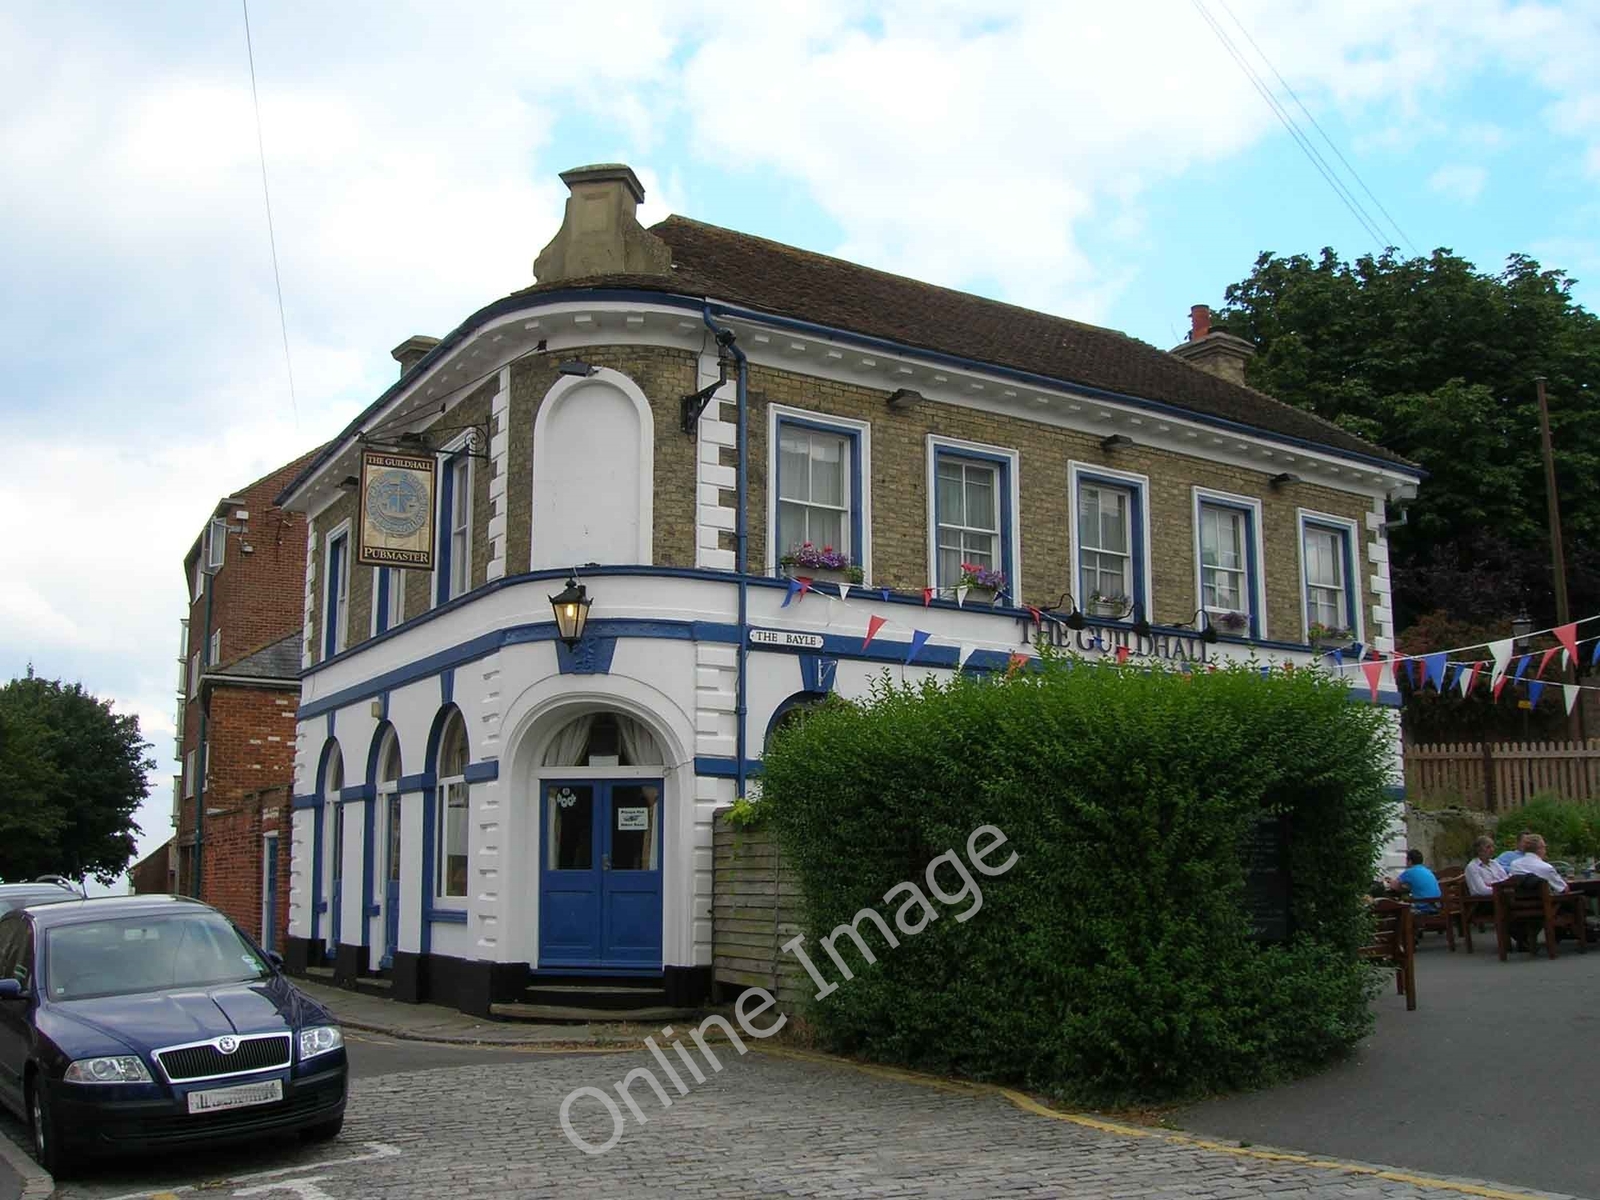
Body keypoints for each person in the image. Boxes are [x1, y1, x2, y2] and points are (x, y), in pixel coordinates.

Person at [1394, 848, 1442, 914]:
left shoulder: (1409, 872)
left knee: (1400, 908)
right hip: (1436, 906)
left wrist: (1390, 882)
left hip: (1424, 908)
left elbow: (1394, 886)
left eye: (1406, 860)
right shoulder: (1428, 870)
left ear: (1410, 861)